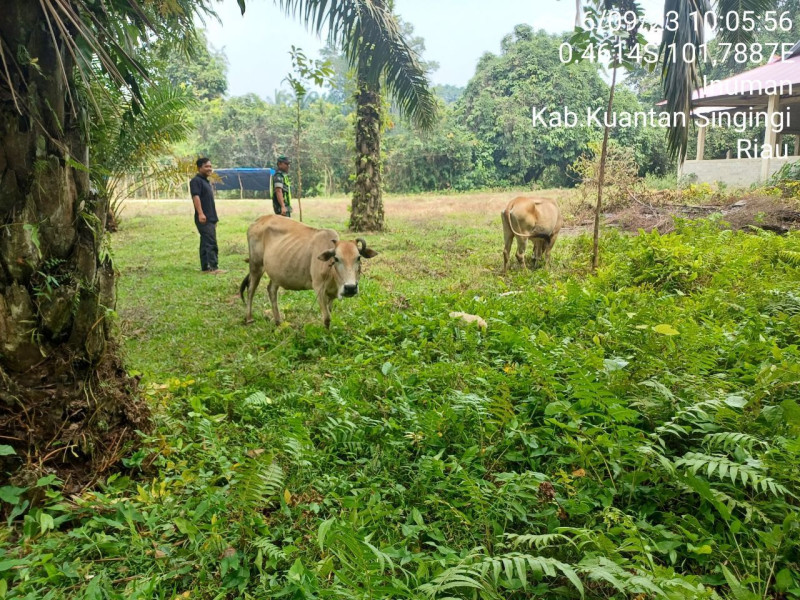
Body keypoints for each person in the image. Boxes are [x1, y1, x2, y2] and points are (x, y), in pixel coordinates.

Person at [190, 157, 225, 274]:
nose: (209, 169)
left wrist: (214, 219)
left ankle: (205, 267)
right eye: (206, 166)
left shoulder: (206, 181)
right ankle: (213, 268)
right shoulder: (196, 181)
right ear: (200, 168)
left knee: (205, 242)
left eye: (210, 166)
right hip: (204, 217)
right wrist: (200, 213)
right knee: (211, 243)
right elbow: (196, 197)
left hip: (210, 217)